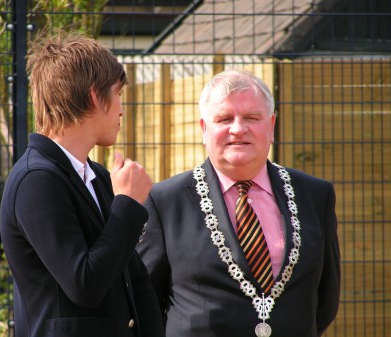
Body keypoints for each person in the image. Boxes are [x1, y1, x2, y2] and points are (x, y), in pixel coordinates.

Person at [136, 69, 340, 337]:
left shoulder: (315, 195)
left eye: (252, 118)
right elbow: (144, 304)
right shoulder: (164, 202)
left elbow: (325, 299)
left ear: (271, 126)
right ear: (203, 129)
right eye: (224, 119)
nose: (238, 129)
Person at [0, 31, 165, 337]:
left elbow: (134, 280)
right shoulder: (36, 181)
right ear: (93, 96)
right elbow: (84, 284)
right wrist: (127, 205)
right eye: (118, 94)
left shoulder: (98, 176)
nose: (120, 109)